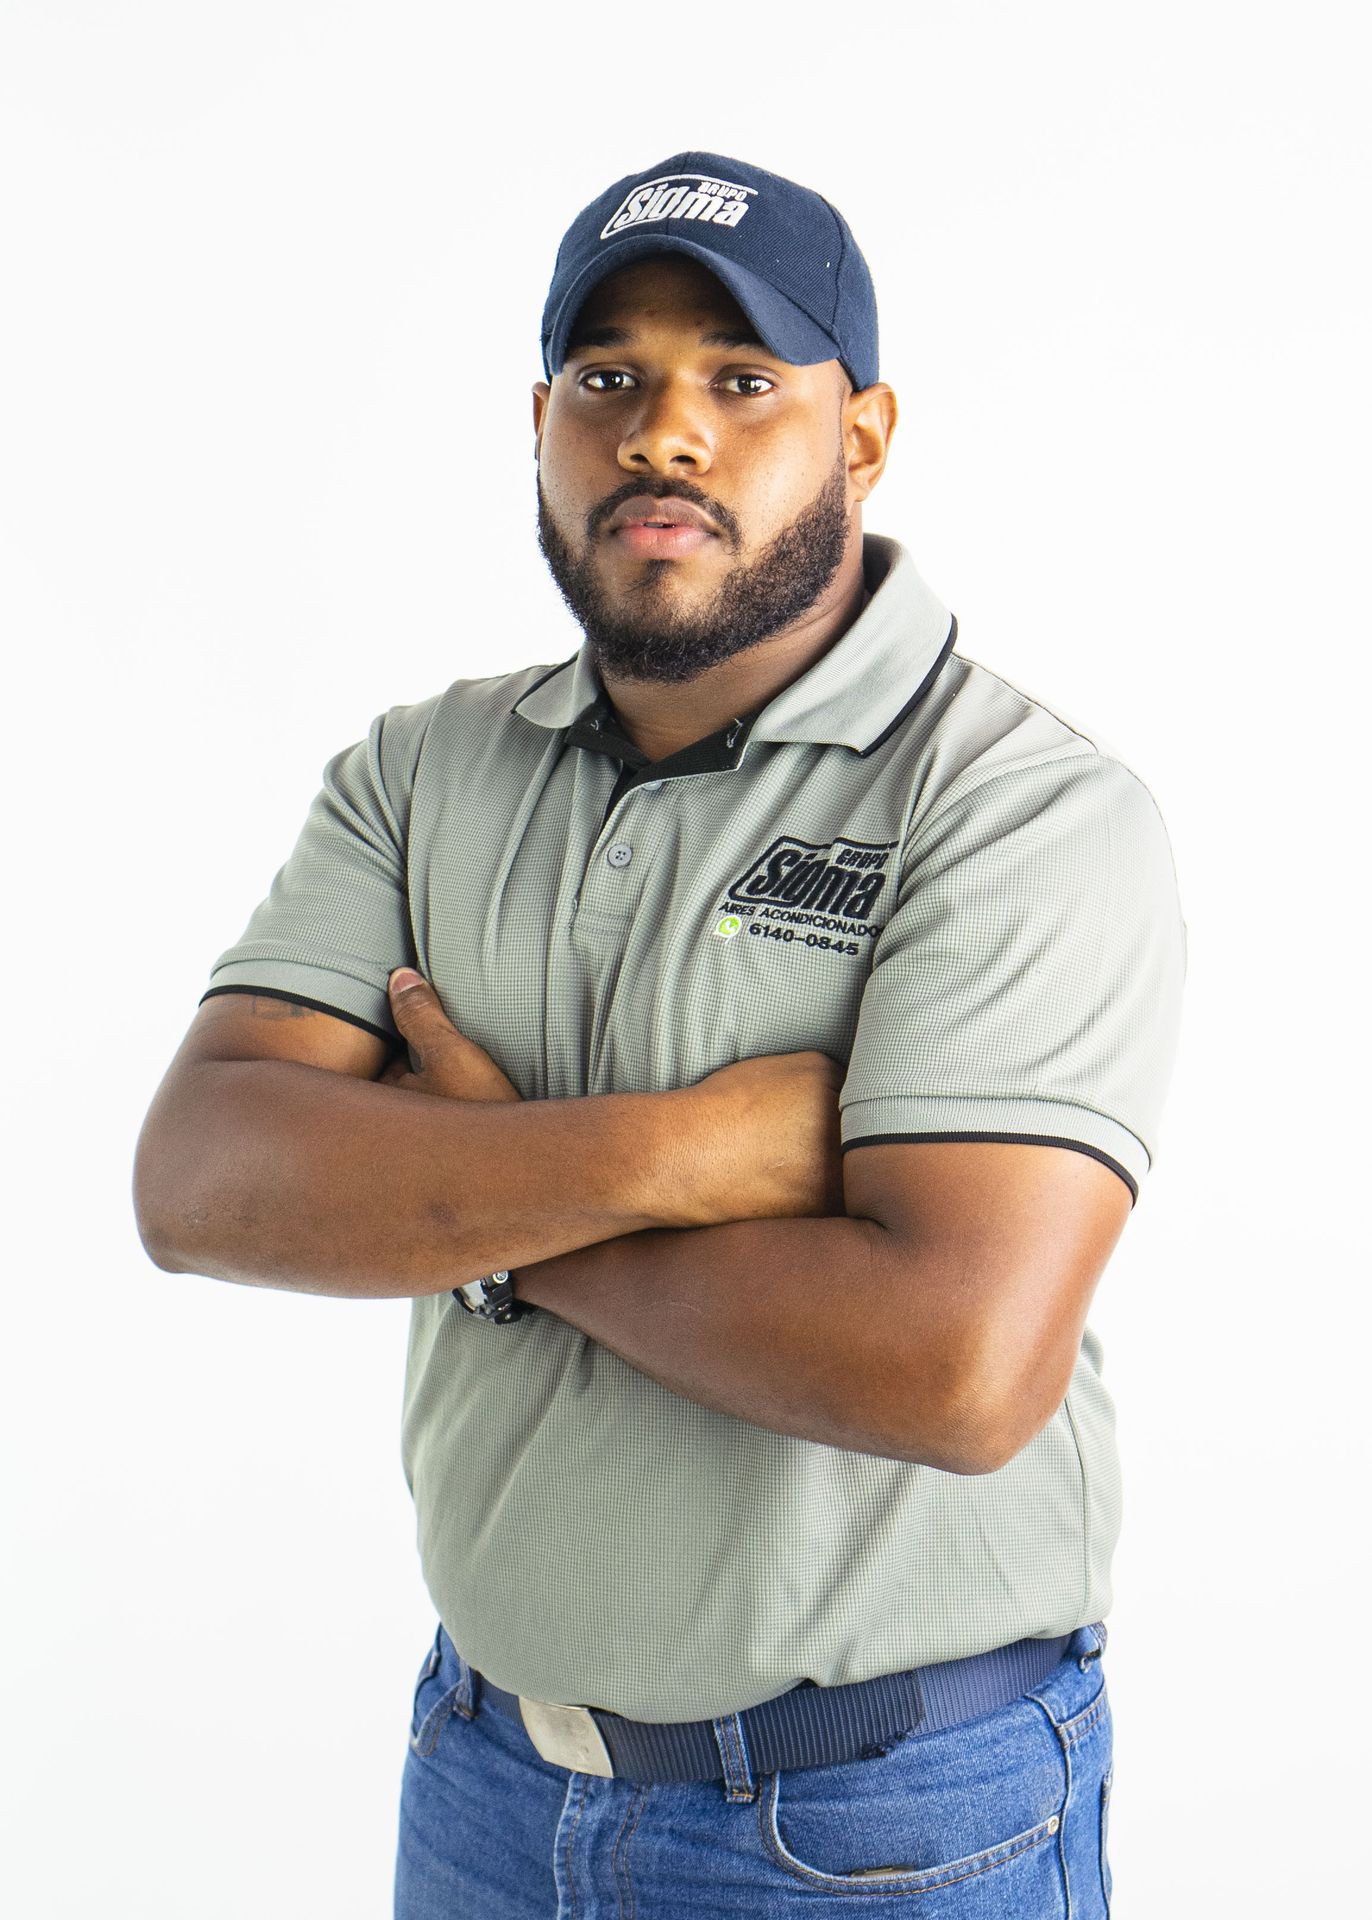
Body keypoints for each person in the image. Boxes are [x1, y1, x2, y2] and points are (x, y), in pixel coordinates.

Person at [134, 150, 1186, 1917]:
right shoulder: (423, 770)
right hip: (483, 1775)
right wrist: (682, 1152)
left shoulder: (1018, 809)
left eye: (743, 380)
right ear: (542, 423)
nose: (665, 433)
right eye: (609, 377)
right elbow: (203, 1181)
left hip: (880, 1823)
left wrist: (477, 1215)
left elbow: (955, 1369)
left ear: (863, 436)